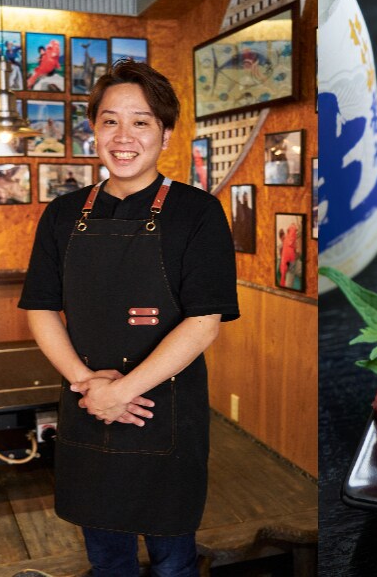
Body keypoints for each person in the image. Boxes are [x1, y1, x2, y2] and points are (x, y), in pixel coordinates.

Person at [18, 59, 239, 576]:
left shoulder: (198, 212)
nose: (124, 136)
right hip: (87, 404)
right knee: (106, 557)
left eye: (140, 121)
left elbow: (204, 321)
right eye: (109, 120)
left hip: (164, 410)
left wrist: (123, 391)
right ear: (93, 129)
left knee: (172, 560)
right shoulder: (62, 213)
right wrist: (89, 386)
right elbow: (41, 308)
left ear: (164, 134)